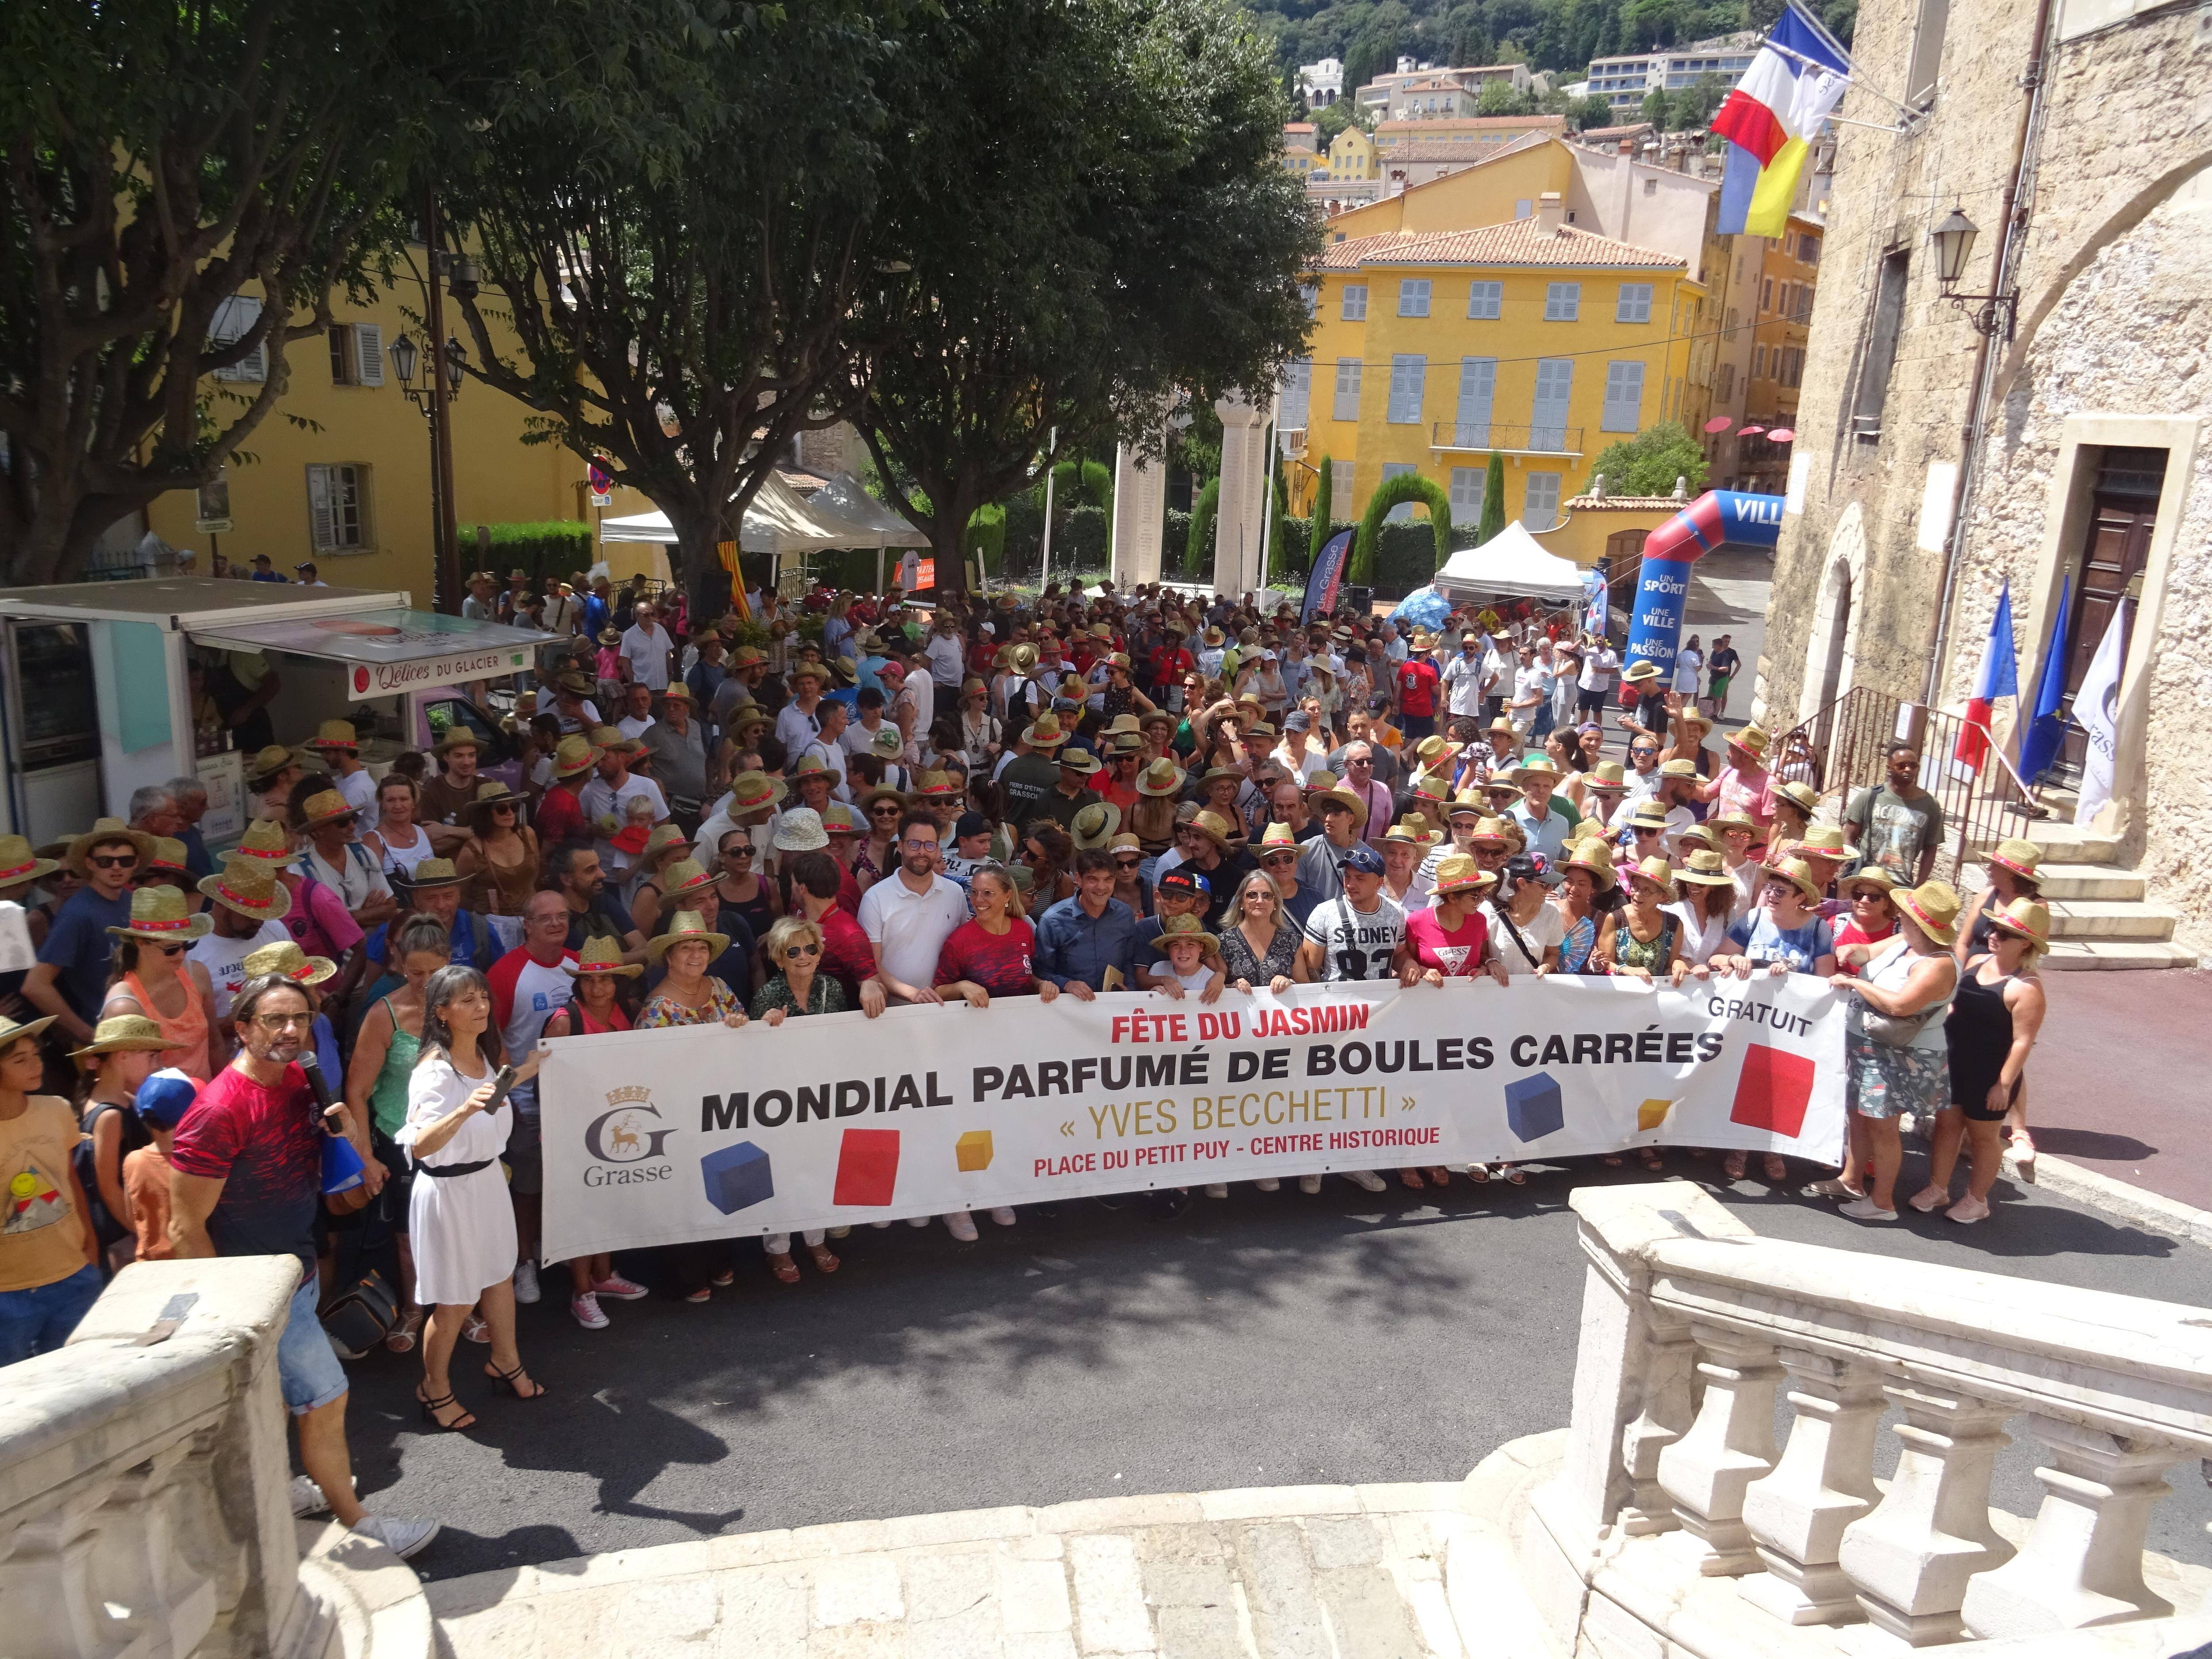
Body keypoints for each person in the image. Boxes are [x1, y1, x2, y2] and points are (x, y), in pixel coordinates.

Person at [169, 975, 437, 1554]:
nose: (291, 1030)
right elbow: (182, 1226)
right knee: (326, 1394)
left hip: (301, 1272)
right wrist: (226, 1311)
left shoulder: (299, 1083)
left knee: (271, 1404)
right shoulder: (218, 1110)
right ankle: (358, 1522)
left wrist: (350, 1155)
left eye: (301, 1017)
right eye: (274, 1019)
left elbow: (334, 1197)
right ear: (241, 1028)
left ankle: (284, 1490)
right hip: (255, 1294)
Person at [399, 965, 549, 1432]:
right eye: (465, 1000)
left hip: (485, 1182)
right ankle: (434, 1388)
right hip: (448, 1194)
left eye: (482, 996)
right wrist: (462, 1111)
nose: (480, 1005)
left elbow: (494, 1094)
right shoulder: (435, 1074)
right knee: (454, 1302)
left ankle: (506, 1362)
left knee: (499, 1278)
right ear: (440, 1012)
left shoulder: (480, 1055)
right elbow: (420, 1145)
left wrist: (534, 1065)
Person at [1823, 882, 1963, 1222]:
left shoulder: (1938, 964)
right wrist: (1851, 954)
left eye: (1907, 914)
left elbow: (1900, 1006)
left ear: (1920, 923)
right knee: (1859, 1115)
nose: (1900, 915)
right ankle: (1851, 1181)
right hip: (1869, 1044)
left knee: (1884, 1128)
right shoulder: (1906, 941)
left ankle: (1883, 1202)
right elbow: (1865, 953)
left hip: (1899, 1055)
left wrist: (1855, 982)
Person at [344, 913, 450, 1353]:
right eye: (415, 972)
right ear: (399, 965)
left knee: (457, 1227)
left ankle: (462, 1308)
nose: (425, 982)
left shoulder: (466, 1003)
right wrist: (366, 1155)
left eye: (435, 972)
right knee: (408, 1235)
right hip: (398, 1138)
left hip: (454, 1137)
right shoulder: (383, 1013)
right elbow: (358, 1090)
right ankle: (412, 1308)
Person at [534, 939, 652, 1327]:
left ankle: (603, 1277)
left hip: (613, 1121)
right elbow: (543, 1083)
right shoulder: (566, 1020)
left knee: (606, 1202)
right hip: (573, 1128)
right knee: (581, 1211)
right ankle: (581, 1291)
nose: (597, 989)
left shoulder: (628, 1012)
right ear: (579, 984)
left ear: (619, 982)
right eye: (588, 981)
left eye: (605, 981)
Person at [1921, 898, 2048, 1224]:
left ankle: (1977, 1200)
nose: (1993, 935)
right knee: (1946, 1126)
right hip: (1955, 1062)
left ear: (2025, 944)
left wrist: (2003, 1085)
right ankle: (1938, 1188)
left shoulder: (2027, 987)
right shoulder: (1977, 960)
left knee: (1983, 1138)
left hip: (1989, 1072)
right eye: (1993, 928)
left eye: (2005, 933)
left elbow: (2022, 1041)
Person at [1294, 842, 1398, 1194]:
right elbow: (1309, 968)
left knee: (1365, 1097)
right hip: (1334, 1020)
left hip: (1379, 1020)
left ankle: (1358, 1164)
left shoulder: (1396, 915)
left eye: (1360, 878)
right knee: (1325, 1095)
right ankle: (1314, 1166)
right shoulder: (1325, 913)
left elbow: (1402, 957)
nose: (1351, 884)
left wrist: (1413, 969)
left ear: (1380, 882)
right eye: (1348, 877)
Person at [0, 1010, 104, 1363]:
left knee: (80, 1377)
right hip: (8, 1294)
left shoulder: (57, 1110)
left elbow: (72, 1181)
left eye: (36, 1055)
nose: (36, 1065)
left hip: (74, 1276)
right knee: (14, 1396)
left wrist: (90, 1246)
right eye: (20, 1060)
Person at [25, 818, 149, 1043]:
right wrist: (86, 1034)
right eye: (105, 861)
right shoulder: (78, 914)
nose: (116, 867)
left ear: (136, 863)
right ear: (89, 864)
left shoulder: (129, 900)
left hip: (138, 1026)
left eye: (125, 860)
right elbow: (35, 985)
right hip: (106, 1036)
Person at [96, 886, 219, 1081]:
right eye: (171, 949)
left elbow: (215, 1044)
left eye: (187, 945)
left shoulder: (197, 975)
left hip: (207, 1105)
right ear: (140, 942)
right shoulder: (125, 1005)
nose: (182, 954)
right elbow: (121, 1079)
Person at [856, 810, 969, 1014]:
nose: (922, 852)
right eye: (914, 844)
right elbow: (872, 965)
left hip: (946, 1008)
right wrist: (913, 994)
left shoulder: (955, 893)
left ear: (937, 849)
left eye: (929, 845)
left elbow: (962, 953)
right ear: (900, 846)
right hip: (892, 1012)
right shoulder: (875, 898)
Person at [122, 1066, 198, 1266]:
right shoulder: (199, 1160)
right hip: (193, 1261)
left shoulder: (133, 1161)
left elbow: (132, 1217)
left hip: (150, 1264)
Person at [1844, 742, 1945, 885]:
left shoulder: (1930, 805)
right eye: (1901, 766)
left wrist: (1920, 884)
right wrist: (1854, 865)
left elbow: (1931, 849)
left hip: (1901, 886)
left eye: (1913, 766)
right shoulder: (1870, 796)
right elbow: (1849, 836)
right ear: (1889, 768)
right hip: (1866, 881)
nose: (1908, 770)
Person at [637, 910, 751, 1029]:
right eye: (686, 948)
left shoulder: (719, 986)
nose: (696, 955)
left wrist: (739, 1021)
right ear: (669, 957)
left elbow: (747, 1027)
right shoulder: (655, 1011)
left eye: (703, 948)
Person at [1705, 635, 1739, 717]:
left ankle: (1719, 713)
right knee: (1711, 695)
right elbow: (1711, 661)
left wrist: (1732, 676)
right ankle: (1709, 712)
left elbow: (1731, 667)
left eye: (1728, 642)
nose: (1727, 643)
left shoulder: (1728, 654)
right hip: (1714, 677)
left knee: (1721, 696)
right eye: (1725, 641)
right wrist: (1709, 665)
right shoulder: (1715, 652)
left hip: (1723, 677)